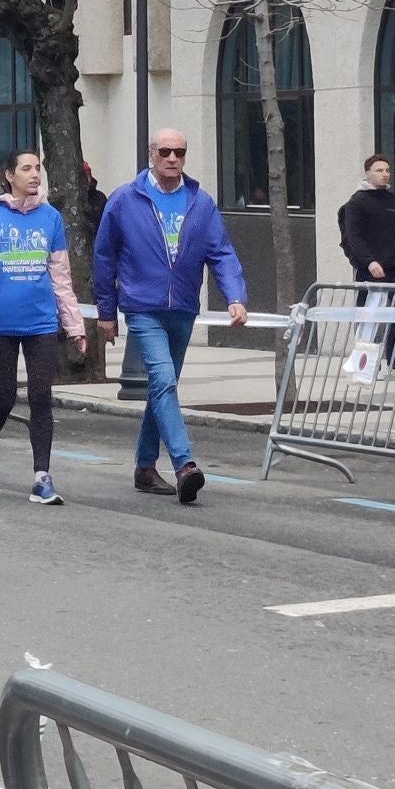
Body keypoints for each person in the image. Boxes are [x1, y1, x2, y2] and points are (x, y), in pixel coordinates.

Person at [94, 128, 247, 506]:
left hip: (182, 307)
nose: (173, 158)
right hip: (142, 306)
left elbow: (222, 253)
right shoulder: (125, 200)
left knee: (162, 389)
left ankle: (145, 468)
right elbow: (104, 256)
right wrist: (106, 311)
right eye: (165, 151)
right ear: (152, 154)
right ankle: (184, 466)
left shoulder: (200, 202)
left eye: (179, 151)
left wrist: (235, 297)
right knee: (162, 380)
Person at [0, 150, 88, 506]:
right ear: (9, 175)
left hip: (40, 323)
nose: (35, 175)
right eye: (27, 169)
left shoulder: (51, 219)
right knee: (3, 398)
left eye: (38, 168)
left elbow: (61, 278)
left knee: (41, 397)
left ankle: (42, 478)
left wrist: (74, 326)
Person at [342, 154, 395, 369]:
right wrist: (368, 262)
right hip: (370, 270)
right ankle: (365, 364)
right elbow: (354, 236)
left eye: (387, 170)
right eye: (379, 170)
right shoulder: (357, 202)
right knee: (368, 317)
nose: (385, 174)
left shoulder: (394, 201)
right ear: (367, 172)